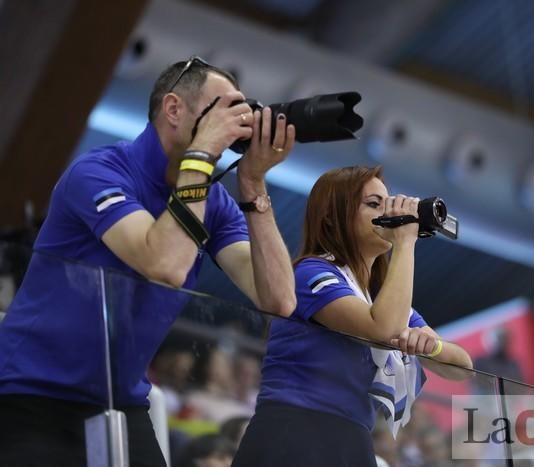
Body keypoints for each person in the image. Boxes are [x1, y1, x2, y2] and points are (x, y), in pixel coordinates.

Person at [0, 56, 296, 467]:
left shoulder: (216, 202)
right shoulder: (99, 172)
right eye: (221, 110)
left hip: (120, 400)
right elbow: (165, 265)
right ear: (174, 109)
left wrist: (253, 185)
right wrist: (202, 154)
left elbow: (279, 299)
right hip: (30, 392)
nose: (235, 123)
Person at [233, 166, 473, 467]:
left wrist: (432, 346)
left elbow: (463, 368)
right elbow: (383, 328)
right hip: (294, 429)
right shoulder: (310, 273)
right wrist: (406, 242)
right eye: (374, 204)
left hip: (352, 437)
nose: (387, 213)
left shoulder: (379, 299)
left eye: (387, 204)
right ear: (333, 217)